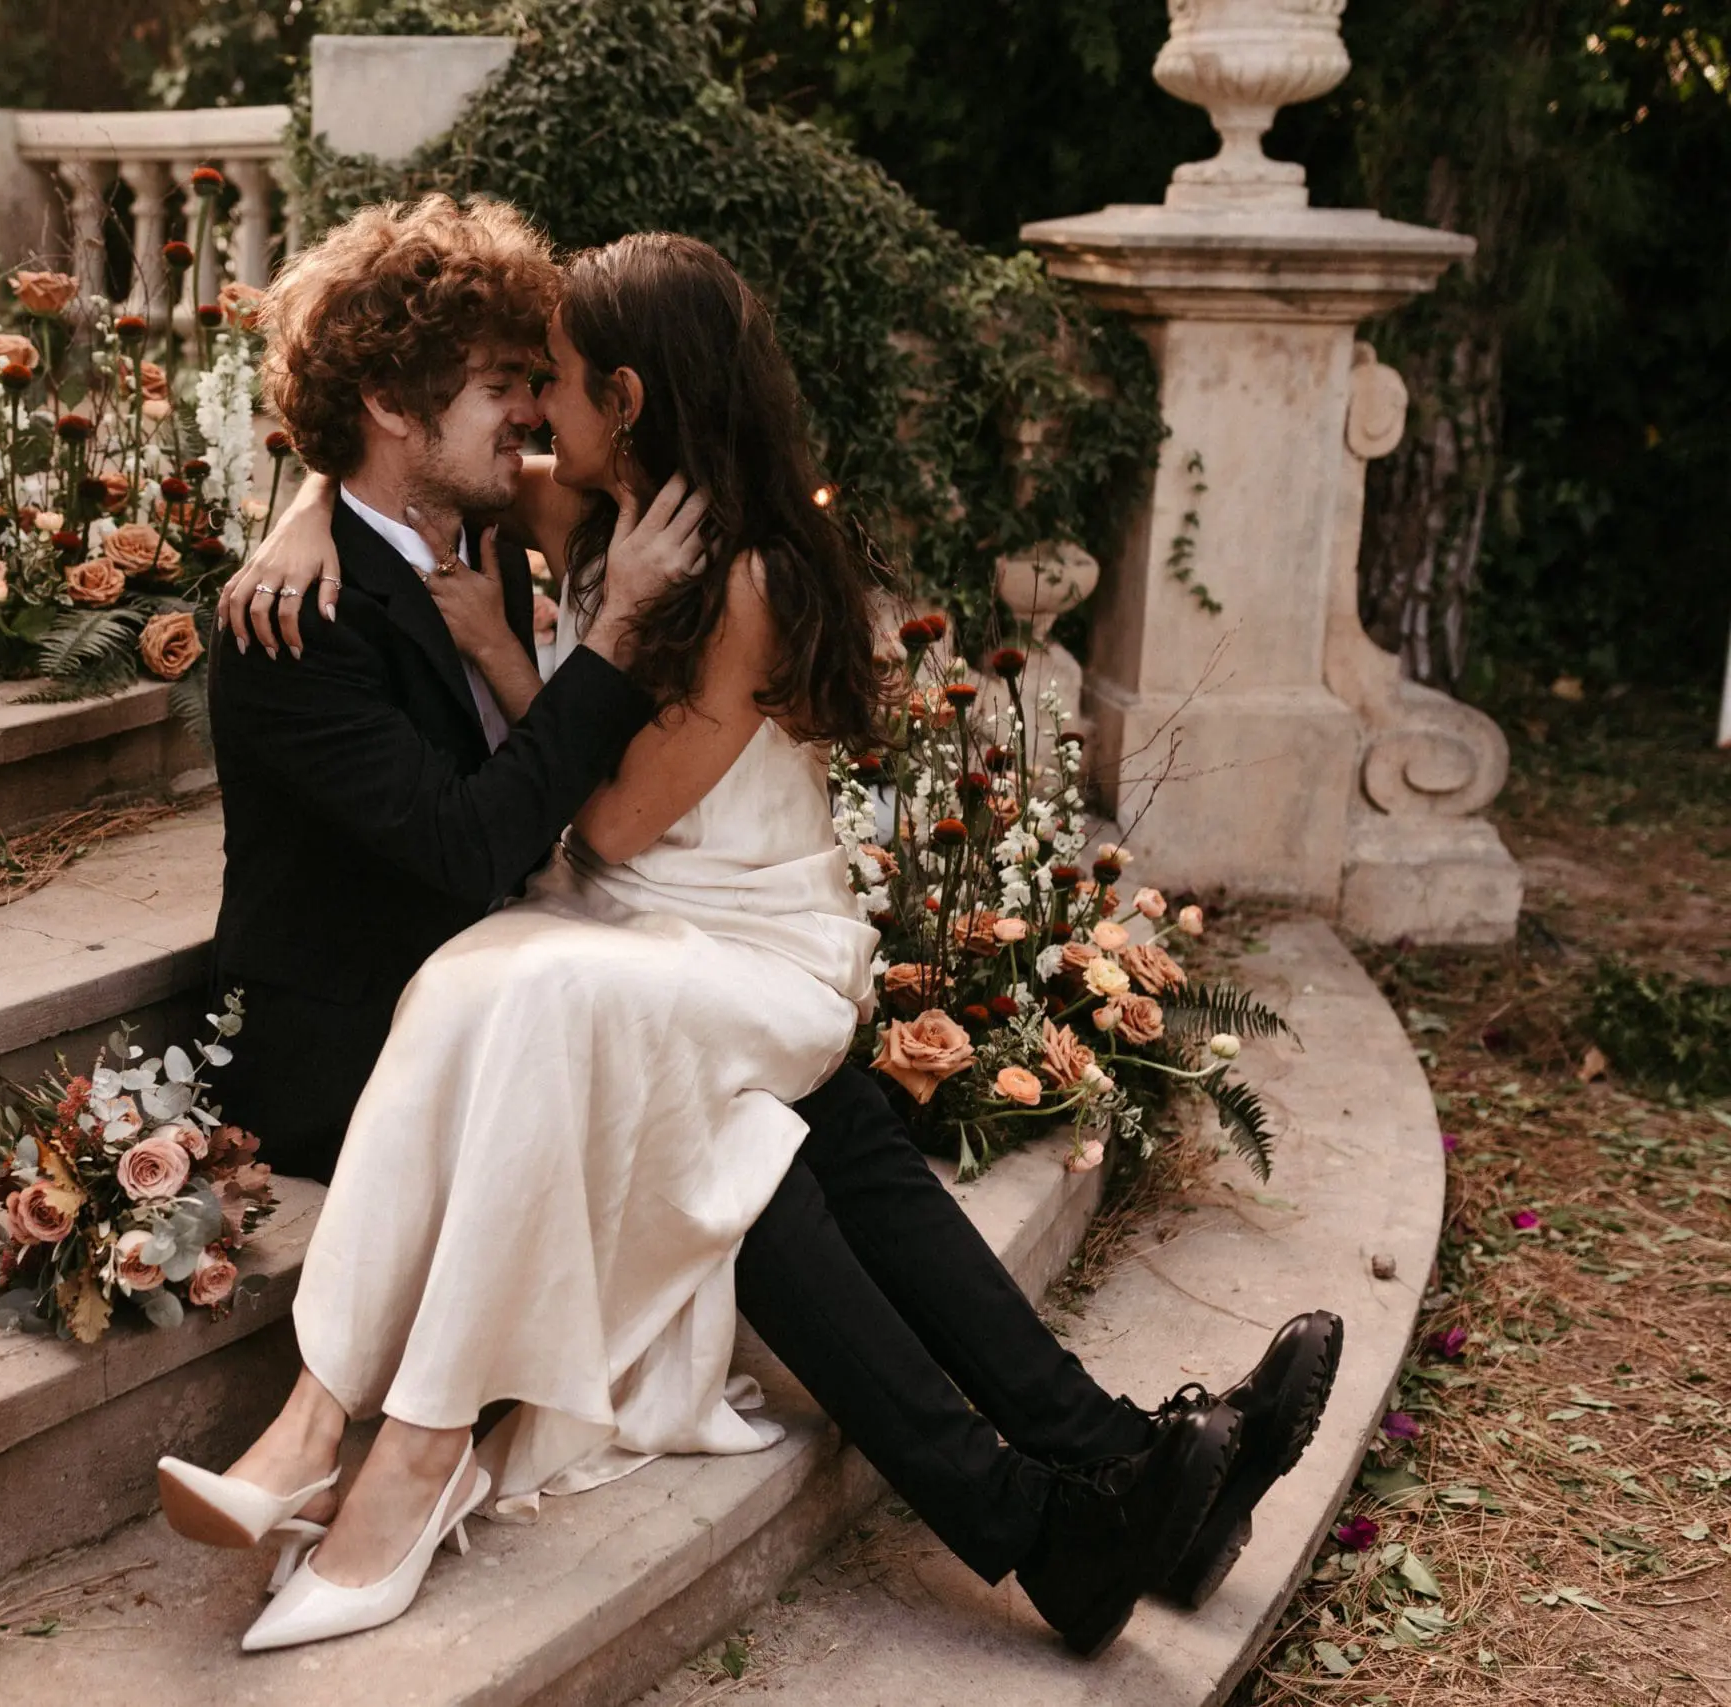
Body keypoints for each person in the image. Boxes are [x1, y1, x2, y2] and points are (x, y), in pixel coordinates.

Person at [174, 195, 1338, 1657]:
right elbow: (513, 808)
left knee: (737, 1122)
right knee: (768, 1148)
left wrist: (502, 631)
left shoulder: (647, 550)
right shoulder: (401, 575)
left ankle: (1086, 1494)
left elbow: (583, 814)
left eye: (550, 384)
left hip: (654, 930)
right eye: (509, 388)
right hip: (473, 979)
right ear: (409, 414)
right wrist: (313, 497)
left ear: (625, 400)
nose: (532, 415)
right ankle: (1104, 1472)